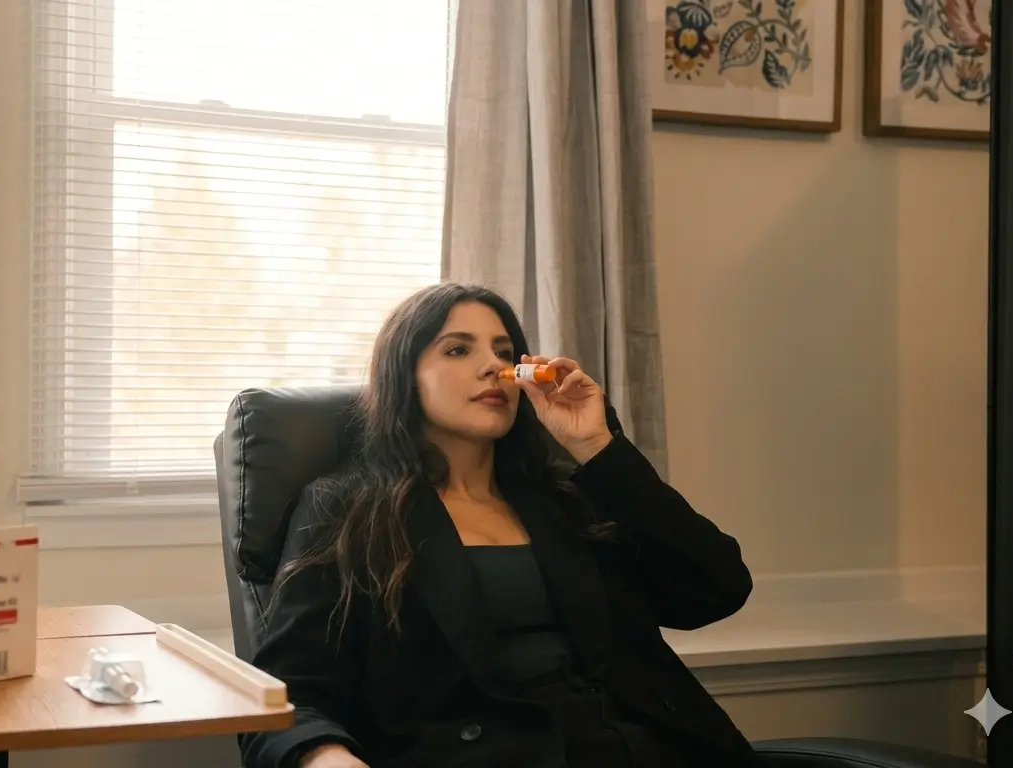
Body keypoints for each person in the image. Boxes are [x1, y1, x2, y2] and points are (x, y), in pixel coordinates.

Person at [239, 282, 756, 768]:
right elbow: (289, 692)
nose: (495, 368)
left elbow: (716, 591)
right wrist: (325, 757)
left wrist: (598, 449)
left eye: (505, 352)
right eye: (458, 350)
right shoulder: (347, 510)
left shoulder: (568, 498)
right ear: (405, 374)